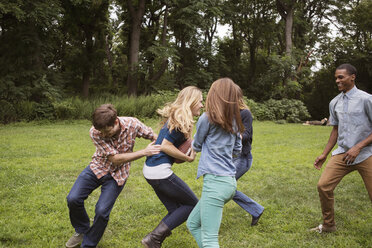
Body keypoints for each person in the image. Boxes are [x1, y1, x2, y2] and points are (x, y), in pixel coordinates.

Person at [66, 104, 161, 248]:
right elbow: (115, 159)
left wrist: (162, 147)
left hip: (118, 175)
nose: (103, 135)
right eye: (101, 131)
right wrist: (144, 152)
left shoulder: (132, 124)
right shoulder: (94, 132)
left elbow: (153, 136)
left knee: (102, 211)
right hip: (97, 167)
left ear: (116, 121)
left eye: (106, 131)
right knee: (73, 199)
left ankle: (88, 244)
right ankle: (82, 229)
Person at [310, 64, 372, 233]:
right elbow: (335, 130)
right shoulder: (334, 102)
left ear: (352, 77)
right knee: (323, 186)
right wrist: (324, 154)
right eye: (336, 77)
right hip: (343, 153)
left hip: (366, 153)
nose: (337, 81)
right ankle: (329, 225)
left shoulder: (366, 99)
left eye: (341, 77)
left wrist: (358, 147)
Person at [141, 86, 203, 248]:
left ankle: (154, 242)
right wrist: (188, 158)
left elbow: (172, 154)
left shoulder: (180, 117)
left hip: (151, 170)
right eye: (200, 102)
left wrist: (184, 153)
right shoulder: (180, 116)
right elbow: (165, 146)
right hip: (159, 171)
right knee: (191, 204)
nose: (202, 106)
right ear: (192, 101)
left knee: (175, 209)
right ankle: (153, 238)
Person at [187, 78, 244, 247]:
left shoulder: (206, 118)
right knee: (192, 224)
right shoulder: (234, 121)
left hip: (215, 184)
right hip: (229, 182)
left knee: (210, 238)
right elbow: (237, 150)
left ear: (214, 96)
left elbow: (196, 145)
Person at [232, 85, 264, 226]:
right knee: (224, 187)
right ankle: (256, 210)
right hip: (231, 157)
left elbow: (247, 135)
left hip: (243, 158)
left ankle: (255, 209)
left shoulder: (245, 113)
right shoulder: (228, 113)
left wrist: (230, 136)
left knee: (223, 187)